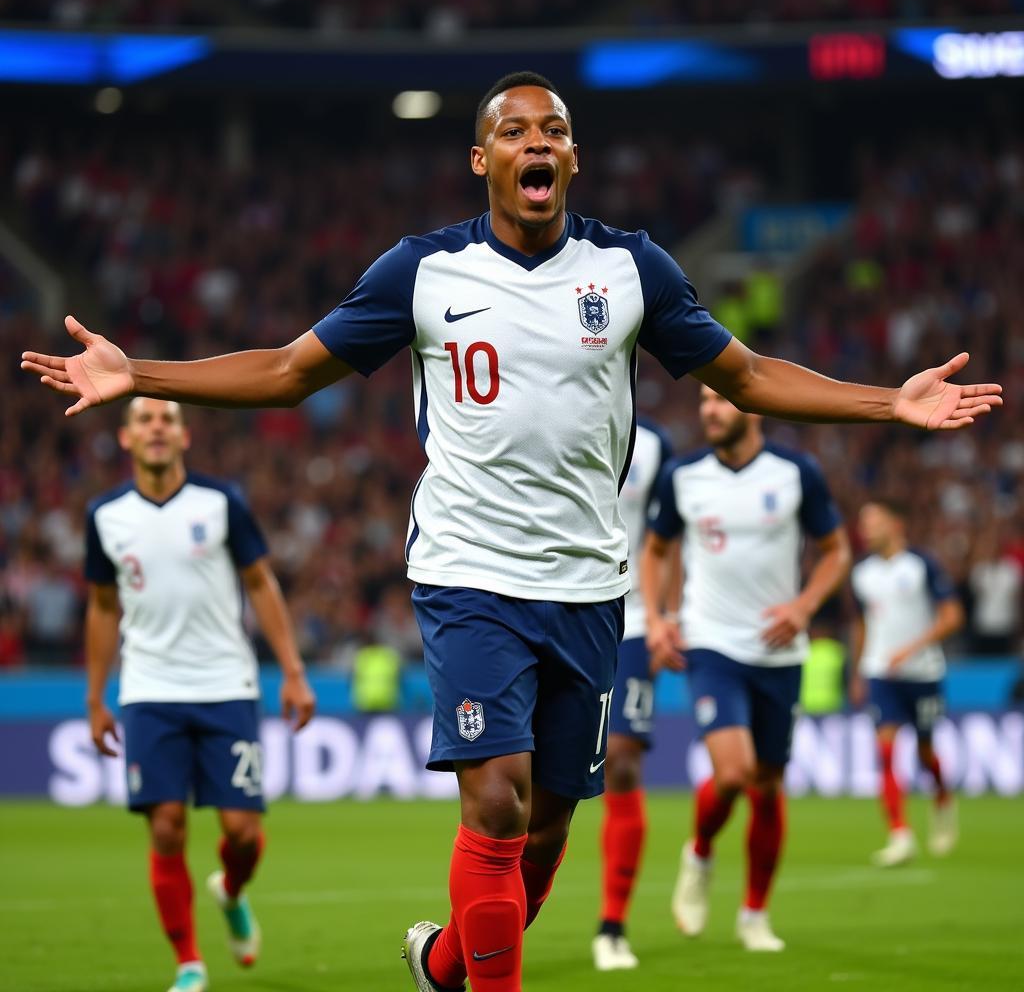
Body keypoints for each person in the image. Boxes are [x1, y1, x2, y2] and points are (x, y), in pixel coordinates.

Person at [22, 72, 1001, 992]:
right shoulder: (424, 271)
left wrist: (887, 403)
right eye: (513, 131)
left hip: (587, 591)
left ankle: (443, 963)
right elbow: (286, 370)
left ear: (572, 160)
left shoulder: (628, 269)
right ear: (479, 160)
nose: (537, 142)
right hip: (467, 577)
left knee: (540, 840)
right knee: (495, 800)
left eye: (555, 131)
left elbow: (743, 376)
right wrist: (138, 373)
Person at [83, 397, 316, 992]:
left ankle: (232, 891)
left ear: (184, 437)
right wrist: (95, 698)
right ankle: (189, 962)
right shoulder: (105, 515)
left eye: (167, 419)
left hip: (225, 684)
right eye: (144, 420)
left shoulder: (220, 503)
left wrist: (291, 669)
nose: (156, 427)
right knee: (165, 826)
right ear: (126, 438)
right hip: (149, 689)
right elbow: (104, 606)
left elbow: (260, 582)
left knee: (241, 831)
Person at [642, 386, 851, 952]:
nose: (709, 410)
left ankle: (754, 913)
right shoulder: (682, 475)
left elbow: (836, 549)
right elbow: (655, 550)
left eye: (720, 400)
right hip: (710, 643)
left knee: (767, 787)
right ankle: (701, 852)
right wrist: (658, 617)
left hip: (778, 650)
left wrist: (804, 606)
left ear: (751, 407)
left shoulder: (795, 473)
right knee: (733, 774)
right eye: (704, 401)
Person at [592, 417, 674, 971]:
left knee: (621, 764)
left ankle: (612, 925)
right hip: (558, 605)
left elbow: (672, 538)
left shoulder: (656, 445)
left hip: (635, 619)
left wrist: (669, 614)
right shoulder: (548, 400)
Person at [850, 498, 963, 867]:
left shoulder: (921, 565)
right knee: (884, 750)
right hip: (880, 671)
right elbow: (864, 622)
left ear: (896, 524)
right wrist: (858, 670)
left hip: (923, 672)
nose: (866, 530)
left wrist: (912, 648)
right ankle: (900, 835)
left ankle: (943, 799)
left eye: (874, 521)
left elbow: (952, 616)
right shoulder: (862, 573)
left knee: (925, 754)